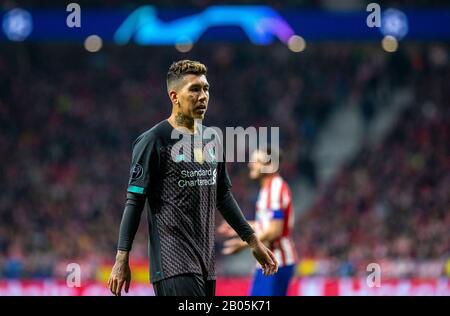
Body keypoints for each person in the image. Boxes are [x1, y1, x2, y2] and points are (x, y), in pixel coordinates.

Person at [108, 60, 278, 296]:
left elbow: (223, 195)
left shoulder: (212, 139)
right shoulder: (154, 141)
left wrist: (253, 241)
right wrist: (121, 258)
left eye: (206, 89)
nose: (203, 96)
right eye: (195, 89)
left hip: (206, 265)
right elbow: (134, 202)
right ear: (175, 96)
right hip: (172, 264)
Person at [219, 147, 298, 296]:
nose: (250, 164)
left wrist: (243, 244)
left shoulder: (276, 188)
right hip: (269, 261)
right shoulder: (268, 189)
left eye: (256, 160)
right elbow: (267, 224)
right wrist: (240, 227)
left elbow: (275, 230)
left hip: (277, 262)